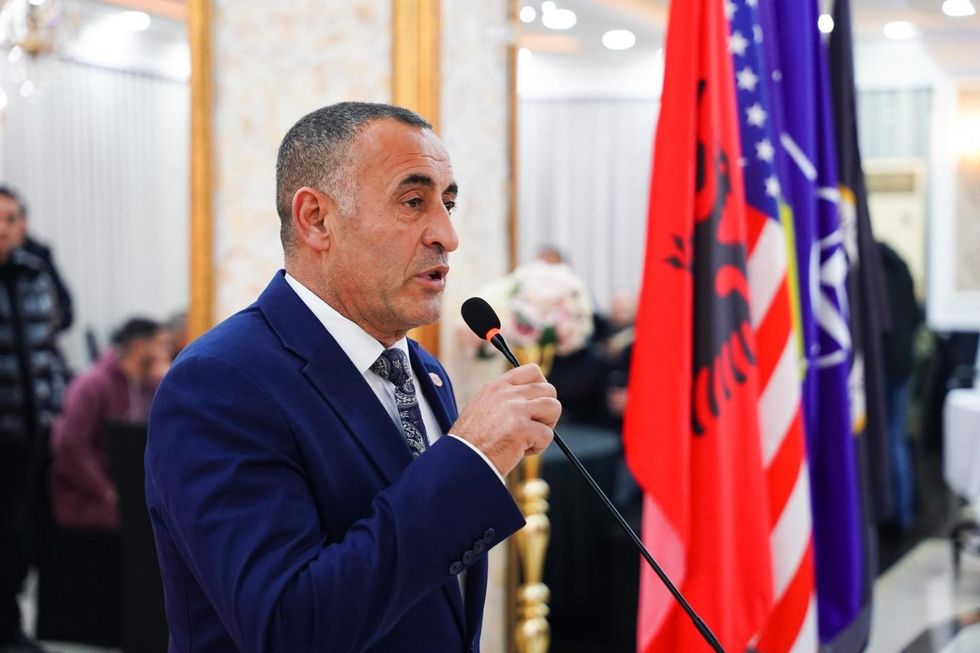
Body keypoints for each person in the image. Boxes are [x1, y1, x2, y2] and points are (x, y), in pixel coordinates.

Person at [145, 102, 560, 652]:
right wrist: (471, 458)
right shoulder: (218, 383)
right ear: (317, 219)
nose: (447, 235)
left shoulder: (424, 370)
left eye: (448, 204)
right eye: (413, 203)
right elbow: (288, 629)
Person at [0, 186, 68, 653]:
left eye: (12, 219)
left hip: (34, 431)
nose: (4, 229)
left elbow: (57, 328)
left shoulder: (34, 270)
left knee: (21, 536)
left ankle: (11, 629)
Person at [50, 317, 170, 531]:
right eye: (161, 345)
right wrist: (107, 491)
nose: (166, 353)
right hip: (90, 504)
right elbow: (69, 446)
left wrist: (167, 381)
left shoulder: (147, 386)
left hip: (128, 497)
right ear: (139, 348)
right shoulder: (93, 385)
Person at [879, 241, 923, 529]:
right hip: (904, 360)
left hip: (884, 361)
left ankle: (893, 510)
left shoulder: (872, 269)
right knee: (897, 433)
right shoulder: (900, 265)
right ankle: (904, 509)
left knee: (888, 436)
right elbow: (916, 316)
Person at [2, 186, 73, 333]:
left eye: (10, 220)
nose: (2, 229)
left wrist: (40, 327)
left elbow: (64, 309)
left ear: (23, 222)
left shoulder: (38, 260)